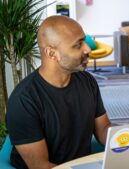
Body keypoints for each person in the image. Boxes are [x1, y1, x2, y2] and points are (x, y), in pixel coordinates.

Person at [6, 16, 111, 169]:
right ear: (51, 54)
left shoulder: (86, 81)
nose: (88, 49)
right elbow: (40, 166)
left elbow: (103, 130)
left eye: (84, 41)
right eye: (78, 45)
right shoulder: (23, 101)